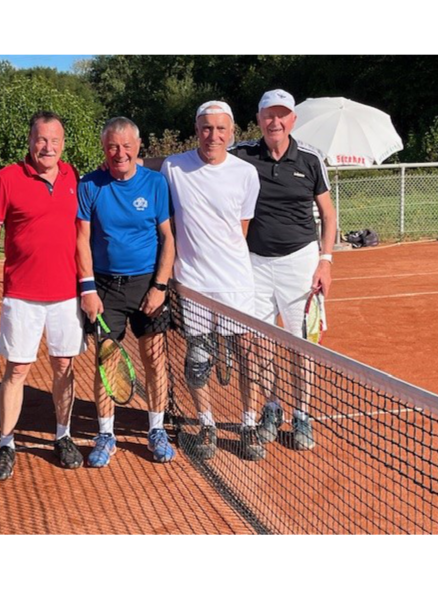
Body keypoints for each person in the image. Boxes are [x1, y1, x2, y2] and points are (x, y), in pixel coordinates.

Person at [0, 111, 87, 481]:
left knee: (64, 366)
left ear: (63, 144)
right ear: (30, 141)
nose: (47, 147)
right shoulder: (7, 178)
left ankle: (63, 435)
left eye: (54, 140)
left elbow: (82, 234)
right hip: (22, 294)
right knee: (17, 369)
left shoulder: (73, 177)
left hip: (66, 294)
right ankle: (6, 443)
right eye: (41, 139)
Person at [228, 89, 338, 451]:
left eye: (281, 115)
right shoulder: (241, 155)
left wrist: (325, 261)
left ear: (292, 119)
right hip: (254, 263)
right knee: (259, 344)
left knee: (301, 344)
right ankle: (272, 408)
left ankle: (302, 414)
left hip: (301, 262)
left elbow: (328, 215)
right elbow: (205, 162)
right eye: (268, 115)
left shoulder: (310, 159)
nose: (275, 122)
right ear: (259, 120)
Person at [160, 100, 265, 461]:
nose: (213, 136)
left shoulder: (246, 174)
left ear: (231, 132)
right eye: (207, 128)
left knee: (247, 355)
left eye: (221, 129)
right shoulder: (174, 167)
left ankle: (248, 424)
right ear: (196, 130)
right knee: (197, 359)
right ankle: (206, 424)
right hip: (193, 283)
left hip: (236, 282)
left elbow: (241, 228)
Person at [76, 116, 177, 468]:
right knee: (107, 363)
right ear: (104, 149)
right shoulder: (90, 184)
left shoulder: (155, 183)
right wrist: (88, 289)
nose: (120, 153)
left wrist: (159, 287)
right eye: (112, 147)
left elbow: (167, 237)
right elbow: (82, 239)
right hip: (105, 288)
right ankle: (105, 435)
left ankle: (157, 430)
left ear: (138, 147)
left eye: (126, 146)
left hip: (147, 285)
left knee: (155, 359)